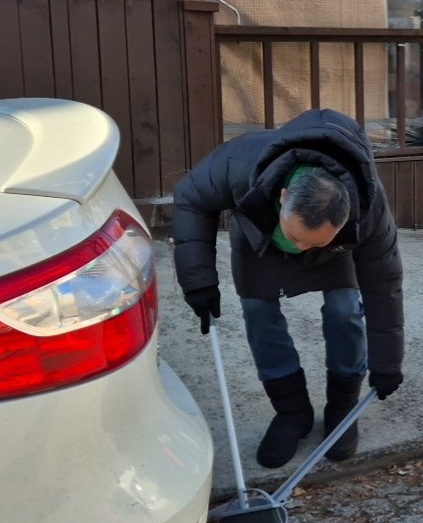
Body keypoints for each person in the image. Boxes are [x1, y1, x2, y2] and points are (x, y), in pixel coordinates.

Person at [172, 108, 404, 469]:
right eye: (297, 238)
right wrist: (198, 279)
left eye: (312, 243)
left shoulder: (368, 209)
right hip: (260, 235)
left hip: (337, 249)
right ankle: (291, 412)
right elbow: (190, 196)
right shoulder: (242, 161)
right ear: (283, 197)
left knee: (345, 308)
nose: (300, 249)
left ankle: (342, 408)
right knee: (259, 312)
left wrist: (387, 363)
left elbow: (384, 285)